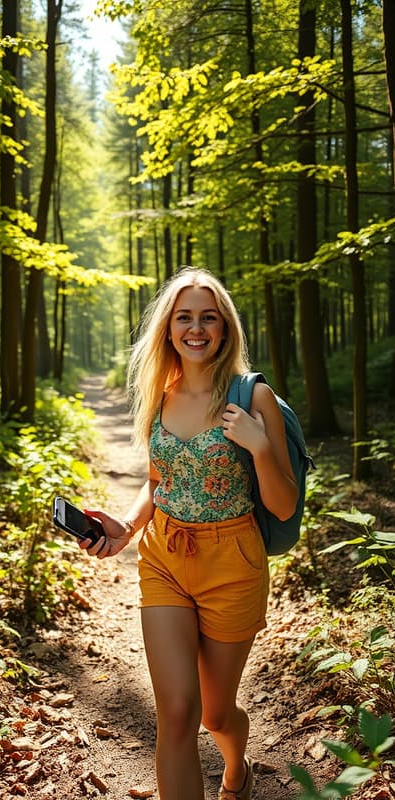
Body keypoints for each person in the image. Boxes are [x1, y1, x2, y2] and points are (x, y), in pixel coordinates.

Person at [79, 267, 298, 800]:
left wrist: (260, 446)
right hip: (165, 561)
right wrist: (127, 527)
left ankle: (236, 770)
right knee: (177, 713)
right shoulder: (161, 393)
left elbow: (285, 503)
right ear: (169, 329)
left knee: (216, 715)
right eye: (184, 318)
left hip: (233, 564)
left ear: (224, 328)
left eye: (208, 317)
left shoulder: (252, 398)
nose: (196, 328)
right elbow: (161, 479)